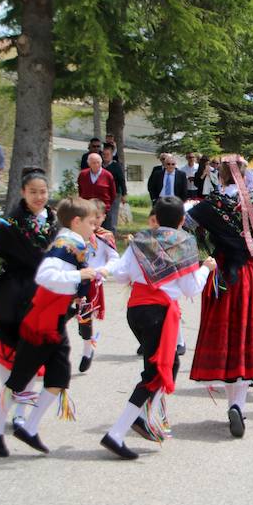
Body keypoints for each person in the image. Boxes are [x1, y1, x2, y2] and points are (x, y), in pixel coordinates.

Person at [0, 197, 103, 457]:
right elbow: (45, 276)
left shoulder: (75, 243)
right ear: (77, 221)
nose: (95, 227)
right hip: (41, 323)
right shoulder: (64, 244)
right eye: (92, 222)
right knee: (19, 381)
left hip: (55, 321)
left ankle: (31, 427)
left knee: (59, 377)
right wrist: (78, 276)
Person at [100, 196, 213, 459]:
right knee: (155, 373)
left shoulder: (140, 240)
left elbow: (120, 275)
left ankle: (140, 416)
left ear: (155, 217)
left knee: (167, 365)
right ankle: (117, 432)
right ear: (182, 221)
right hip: (159, 314)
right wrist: (206, 269)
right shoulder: (184, 244)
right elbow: (191, 288)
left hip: (136, 311)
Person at [187, 157, 253, 436]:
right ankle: (238, 405)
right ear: (245, 177)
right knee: (247, 336)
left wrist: (206, 247)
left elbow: (187, 227)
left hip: (221, 274)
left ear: (221, 177)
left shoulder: (208, 205)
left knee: (228, 338)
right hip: (251, 274)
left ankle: (234, 403)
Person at [0, 167, 58, 430]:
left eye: (43, 192)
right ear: (22, 193)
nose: (39, 197)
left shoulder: (55, 224)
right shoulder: (9, 224)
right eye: (33, 192)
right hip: (12, 293)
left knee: (32, 354)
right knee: (9, 354)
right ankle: (10, 398)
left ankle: (20, 411)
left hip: (41, 295)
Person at [76, 199, 119, 373]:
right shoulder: (78, 234)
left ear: (103, 217)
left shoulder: (105, 236)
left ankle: (87, 348)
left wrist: (104, 269)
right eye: (90, 217)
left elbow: (114, 258)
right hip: (74, 278)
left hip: (92, 281)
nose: (94, 222)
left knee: (85, 317)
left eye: (97, 217)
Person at [77, 152, 117, 228]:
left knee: (105, 230)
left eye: (98, 162)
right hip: (87, 209)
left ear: (101, 163)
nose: (96, 165)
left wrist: (106, 206)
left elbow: (113, 193)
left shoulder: (107, 175)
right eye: (93, 163)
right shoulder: (83, 174)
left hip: (103, 209)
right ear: (89, 164)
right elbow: (80, 190)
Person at [101, 142, 127, 232]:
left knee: (112, 216)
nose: (105, 156)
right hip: (102, 195)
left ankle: (112, 235)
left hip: (115, 194)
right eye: (103, 154)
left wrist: (124, 194)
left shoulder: (116, 166)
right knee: (102, 215)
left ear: (112, 155)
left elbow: (121, 180)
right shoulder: (100, 166)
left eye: (107, 154)